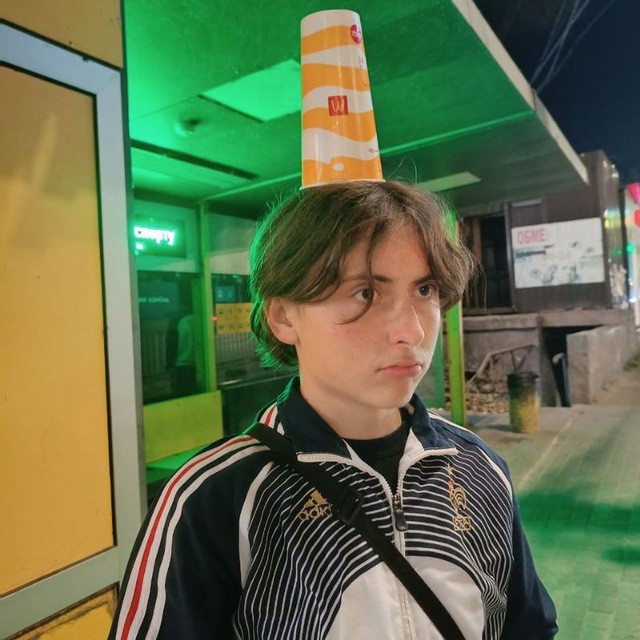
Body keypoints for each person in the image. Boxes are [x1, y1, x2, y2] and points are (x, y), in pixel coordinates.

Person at [109, 181, 557, 639]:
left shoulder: (479, 467)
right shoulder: (213, 499)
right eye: (365, 293)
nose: (412, 331)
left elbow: (528, 627)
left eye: (425, 289)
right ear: (283, 316)